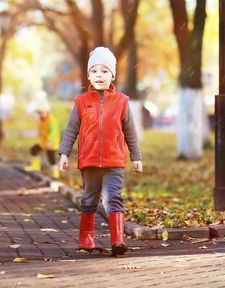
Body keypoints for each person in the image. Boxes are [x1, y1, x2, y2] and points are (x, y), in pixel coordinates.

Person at [58, 47, 143, 257]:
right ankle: (86, 237)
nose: (99, 75)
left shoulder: (122, 101)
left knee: (114, 198)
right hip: (89, 162)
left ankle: (118, 239)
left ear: (112, 75)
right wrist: (64, 154)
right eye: (94, 71)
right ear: (88, 75)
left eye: (104, 71)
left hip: (114, 161)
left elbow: (130, 131)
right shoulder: (80, 102)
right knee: (89, 200)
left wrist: (137, 157)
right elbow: (71, 130)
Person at [25, 99, 61, 179]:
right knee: (34, 149)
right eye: (38, 113)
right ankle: (35, 166)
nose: (40, 115)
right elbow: (41, 128)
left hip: (51, 143)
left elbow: (53, 131)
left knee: (51, 158)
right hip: (43, 142)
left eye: (41, 113)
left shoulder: (51, 120)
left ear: (47, 112)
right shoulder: (42, 120)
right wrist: (39, 133)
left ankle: (55, 174)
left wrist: (50, 141)